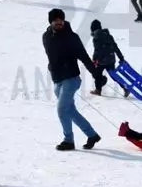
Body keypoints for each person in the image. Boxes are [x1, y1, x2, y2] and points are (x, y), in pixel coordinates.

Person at [42, 8, 101, 151]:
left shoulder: (71, 37)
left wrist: (96, 74)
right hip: (57, 79)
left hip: (71, 78)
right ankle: (92, 135)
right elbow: (51, 56)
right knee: (70, 110)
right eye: (55, 20)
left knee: (62, 109)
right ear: (51, 22)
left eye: (60, 20)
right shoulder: (46, 36)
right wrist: (51, 67)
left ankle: (68, 140)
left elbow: (84, 56)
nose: (59, 23)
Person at [88, 19, 129, 97]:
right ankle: (125, 87)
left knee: (97, 73)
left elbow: (97, 50)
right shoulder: (108, 35)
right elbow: (115, 47)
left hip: (102, 60)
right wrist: (121, 57)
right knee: (114, 75)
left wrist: (94, 60)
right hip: (111, 59)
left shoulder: (96, 38)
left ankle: (98, 89)